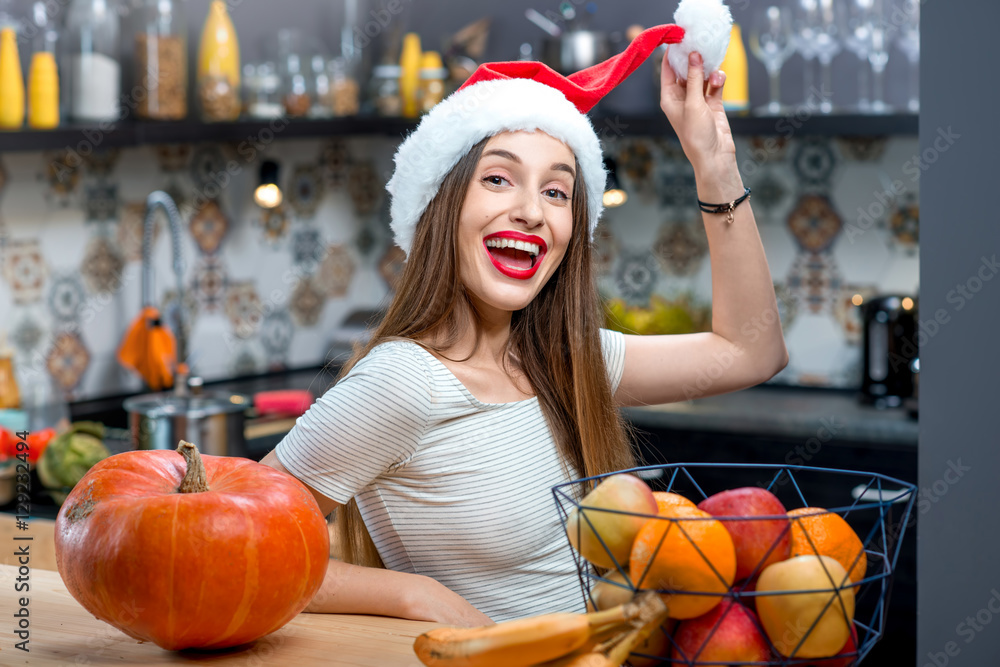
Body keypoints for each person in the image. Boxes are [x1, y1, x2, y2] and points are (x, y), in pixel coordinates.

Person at [260, 14, 787, 628]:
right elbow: (244, 540)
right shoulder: (404, 380)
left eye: (557, 191)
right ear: (441, 205)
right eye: (498, 178)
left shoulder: (566, 359)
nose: (532, 210)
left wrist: (713, 163)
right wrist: (412, 596)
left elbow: (752, 352)